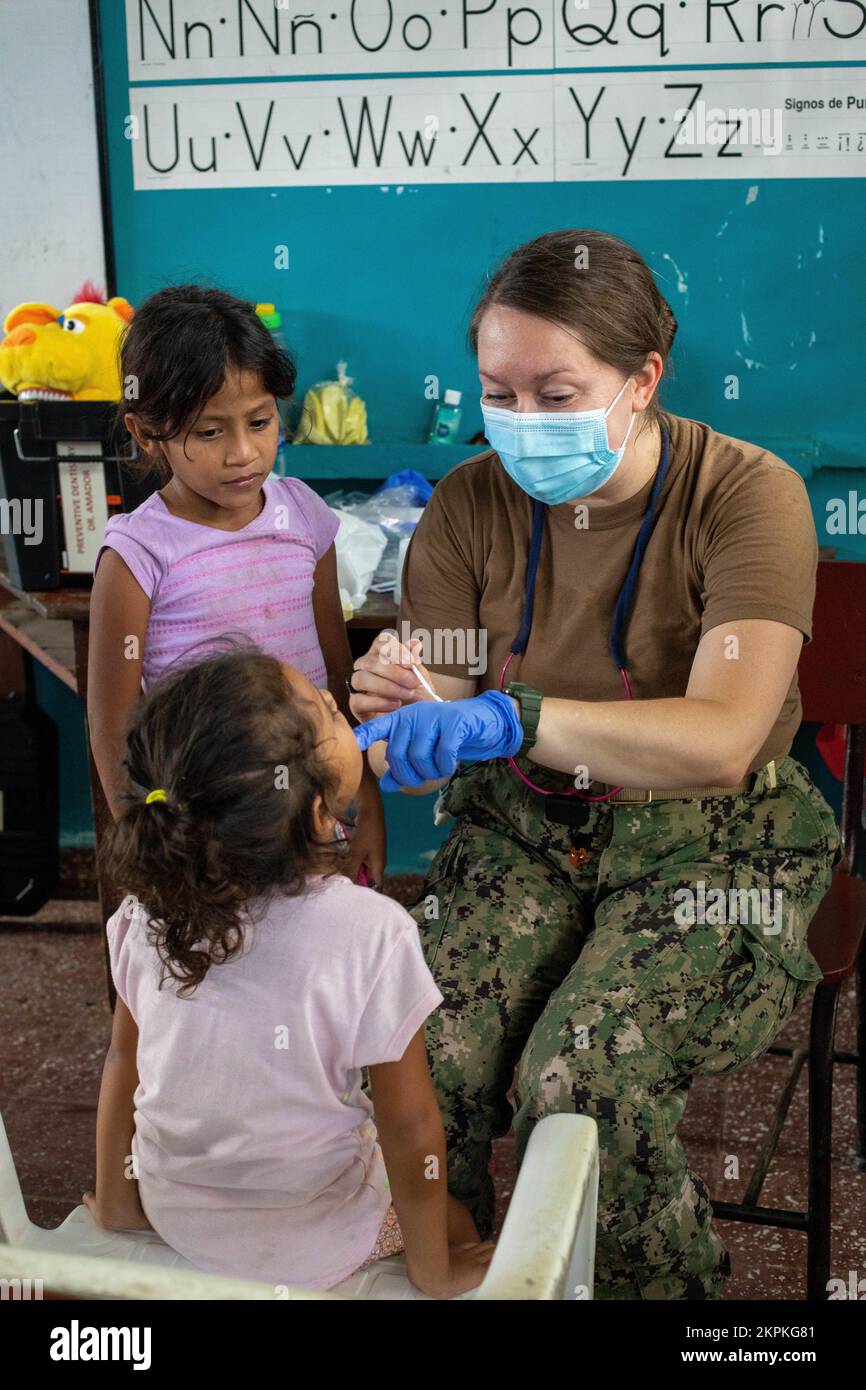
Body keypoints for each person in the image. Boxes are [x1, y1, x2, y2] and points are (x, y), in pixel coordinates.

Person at [348, 228, 842, 1300]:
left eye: (555, 389)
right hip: (520, 830)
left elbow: (718, 739)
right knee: (418, 1046)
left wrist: (505, 717)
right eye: (497, 391)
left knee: (582, 1073)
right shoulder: (466, 510)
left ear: (641, 380)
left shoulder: (744, 496)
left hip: (715, 846)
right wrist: (406, 712)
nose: (522, 423)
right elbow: (432, 724)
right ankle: (468, 1270)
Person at [83, 648, 495, 1297]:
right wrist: (437, 1270)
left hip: (175, 1216)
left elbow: (121, 1063)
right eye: (329, 709)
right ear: (310, 813)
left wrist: (116, 1205)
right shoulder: (373, 932)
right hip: (316, 1242)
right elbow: (409, 1125)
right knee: (460, 1219)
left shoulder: (147, 913)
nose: (338, 704)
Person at [87, 284, 384, 884]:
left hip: (316, 815)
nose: (244, 453)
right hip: (205, 831)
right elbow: (113, 725)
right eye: (208, 432)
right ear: (147, 432)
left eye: (260, 421)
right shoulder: (138, 555)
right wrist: (147, 848)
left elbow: (334, 673)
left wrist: (366, 803)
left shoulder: (302, 515)